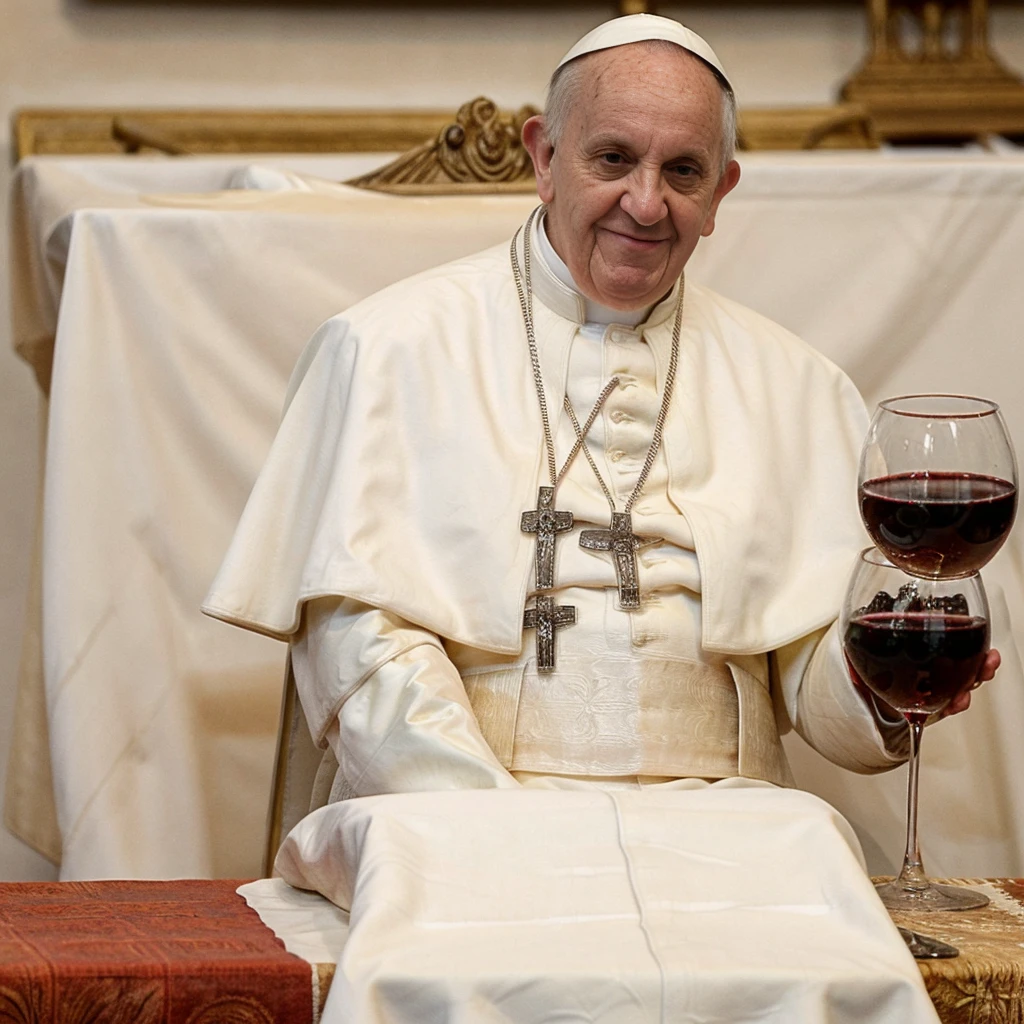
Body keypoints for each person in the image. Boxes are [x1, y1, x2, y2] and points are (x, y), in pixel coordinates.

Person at [203, 15, 997, 811]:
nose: (646, 205)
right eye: (613, 158)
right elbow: (360, 655)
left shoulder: (798, 382)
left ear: (721, 192)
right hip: (462, 808)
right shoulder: (385, 348)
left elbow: (813, 685)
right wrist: (501, 829)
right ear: (544, 157)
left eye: (683, 171)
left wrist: (883, 690)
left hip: (731, 815)